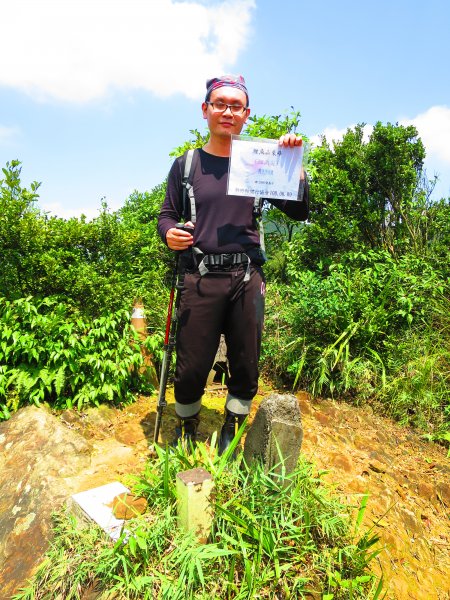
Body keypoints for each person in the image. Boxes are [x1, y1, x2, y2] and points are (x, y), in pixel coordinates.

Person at [157, 74, 309, 455]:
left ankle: (233, 422)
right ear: (205, 109)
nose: (228, 111)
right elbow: (166, 215)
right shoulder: (187, 164)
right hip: (200, 275)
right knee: (191, 364)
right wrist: (169, 234)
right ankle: (188, 423)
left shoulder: (261, 161)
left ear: (247, 115)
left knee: (246, 359)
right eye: (220, 104)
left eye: (236, 106)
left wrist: (293, 164)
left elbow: (299, 210)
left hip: (246, 276)